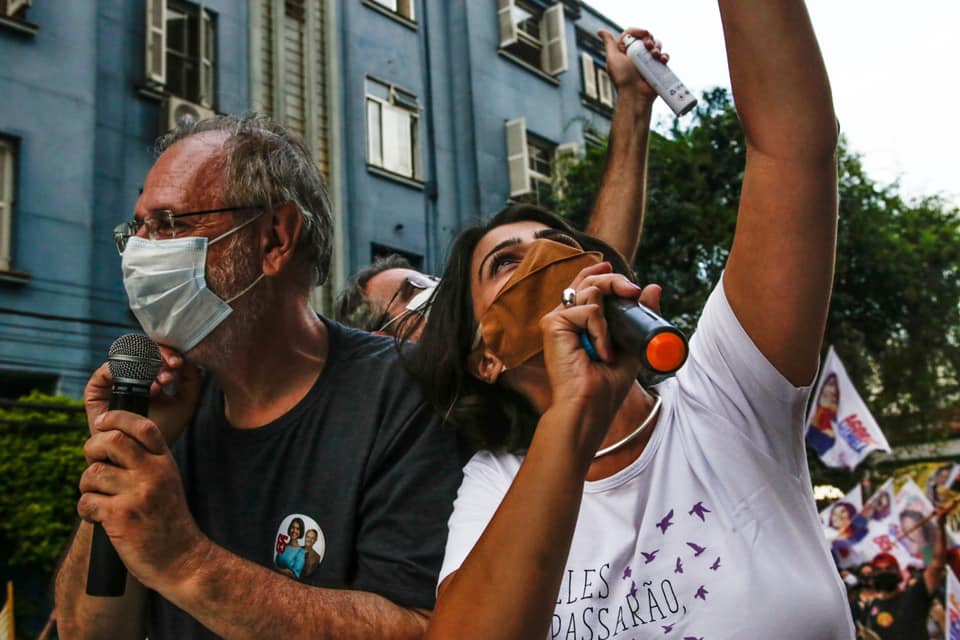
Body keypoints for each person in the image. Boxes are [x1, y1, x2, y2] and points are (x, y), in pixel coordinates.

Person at [405, 2, 852, 637]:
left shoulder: (724, 396)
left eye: (562, 246)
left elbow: (792, 145)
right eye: (509, 261)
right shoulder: (495, 485)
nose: (547, 261)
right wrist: (572, 415)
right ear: (486, 357)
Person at [53, 114, 462, 639]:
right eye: (137, 230)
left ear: (274, 239)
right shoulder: (168, 410)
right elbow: (88, 633)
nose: (141, 252)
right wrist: (123, 454)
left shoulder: (407, 395)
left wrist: (185, 562)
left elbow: (423, 629)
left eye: (170, 225)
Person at [334, 29, 670, 340]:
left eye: (433, 283)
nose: (437, 294)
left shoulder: (517, 349)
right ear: (379, 340)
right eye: (411, 295)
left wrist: (631, 101)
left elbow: (598, 260)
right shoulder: (443, 395)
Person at [859, 513, 947, 640]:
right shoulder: (868, 608)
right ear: (873, 575)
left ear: (898, 571)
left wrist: (940, 528)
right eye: (878, 570)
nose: (884, 572)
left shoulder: (915, 595)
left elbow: (937, 565)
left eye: (889, 568)